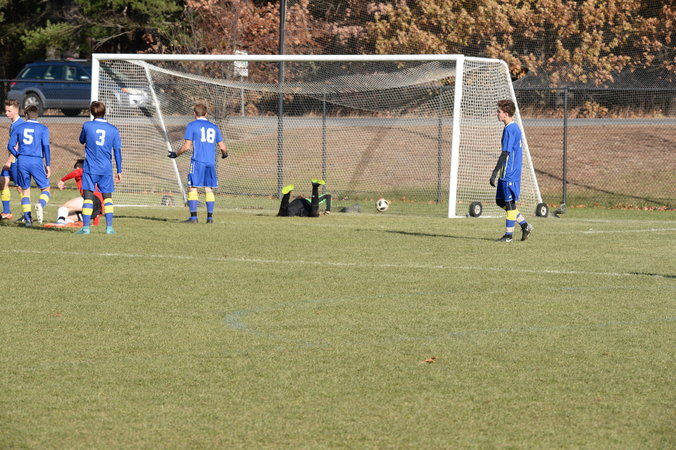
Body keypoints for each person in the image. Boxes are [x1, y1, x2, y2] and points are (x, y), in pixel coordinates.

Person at [168, 103, 228, 223]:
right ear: (206, 114)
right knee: (208, 188)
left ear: (194, 114)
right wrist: (224, 154)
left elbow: (186, 147)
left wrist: (176, 154)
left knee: (192, 187)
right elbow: (222, 146)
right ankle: (209, 218)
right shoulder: (214, 127)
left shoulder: (192, 125)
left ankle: (193, 217)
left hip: (198, 162)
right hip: (211, 163)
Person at [75, 101, 122, 235]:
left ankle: (86, 228)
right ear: (104, 112)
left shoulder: (87, 125)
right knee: (107, 198)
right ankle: (109, 228)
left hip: (91, 168)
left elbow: (81, 140)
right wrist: (119, 171)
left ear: (91, 112)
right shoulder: (113, 129)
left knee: (88, 198)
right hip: (106, 169)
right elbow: (117, 151)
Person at [489, 99, 533, 242]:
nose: (497, 113)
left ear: (506, 114)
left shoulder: (510, 129)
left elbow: (505, 153)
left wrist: (494, 172)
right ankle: (525, 225)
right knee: (500, 201)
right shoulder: (511, 127)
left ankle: (508, 236)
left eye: (499, 111)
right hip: (506, 171)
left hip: (510, 172)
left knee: (509, 204)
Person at [7, 105, 51, 227]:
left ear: (26, 115)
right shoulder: (43, 128)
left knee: (25, 190)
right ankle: (40, 204)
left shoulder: (19, 127)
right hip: (36, 160)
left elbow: (10, 146)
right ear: (37, 115)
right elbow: (46, 147)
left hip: (22, 161)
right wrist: (48, 164)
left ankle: (27, 220)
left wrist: (18, 155)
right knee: (46, 188)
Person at [43, 159, 104, 227]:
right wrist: (95, 223)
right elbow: (98, 204)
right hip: (95, 209)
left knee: (63, 207)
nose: (77, 169)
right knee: (68, 217)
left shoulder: (84, 171)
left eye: (79, 167)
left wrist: (62, 180)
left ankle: (60, 223)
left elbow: (77, 172)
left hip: (91, 200)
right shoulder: (93, 177)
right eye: (76, 167)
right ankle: (73, 223)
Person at [1, 99, 24, 220]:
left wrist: (9, 162)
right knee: (2, 181)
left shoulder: (19, 125)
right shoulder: (14, 124)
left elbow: (17, 146)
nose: (6, 113)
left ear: (16, 111)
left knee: (20, 188)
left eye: (9, 111)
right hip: (12, 161)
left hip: (17, 162)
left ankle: (26, 215)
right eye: (6, 110)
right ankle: (6, 212)